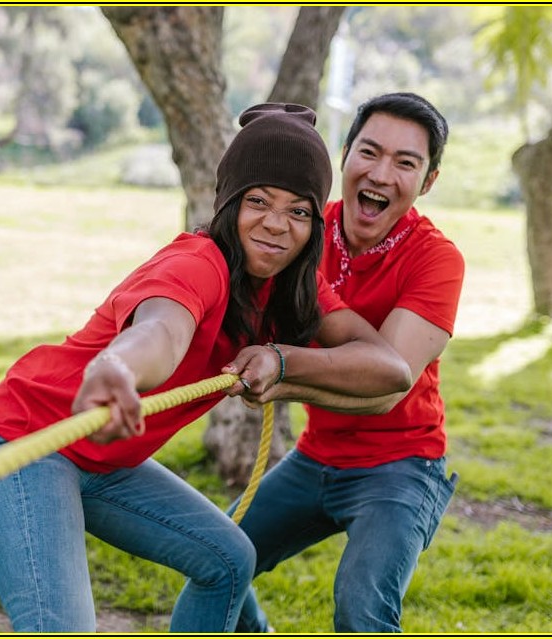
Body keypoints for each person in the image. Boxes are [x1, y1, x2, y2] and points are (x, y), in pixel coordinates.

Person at [0, 103, 412, 633]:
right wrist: (118, 367)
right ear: (229, 203)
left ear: (314, 224)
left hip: (105, 456)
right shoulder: (197, 264)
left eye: (298, 211)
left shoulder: (292, 288)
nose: (276, 224)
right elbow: (161, 332)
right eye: (258, 201)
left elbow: (390, 368)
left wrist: (282, 359)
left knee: (229, 561)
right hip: (29, 440)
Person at [225, 92, 466, 633]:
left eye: (405, 163)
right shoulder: (302, 228)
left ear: (428, 181)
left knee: (362, 612)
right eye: (369, 152)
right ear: (345, 154)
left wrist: (281, 370)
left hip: (402, 464)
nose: (380, 174)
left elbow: (387, 389)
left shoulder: (437, 259)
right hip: (315, 455)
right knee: (215, 554)